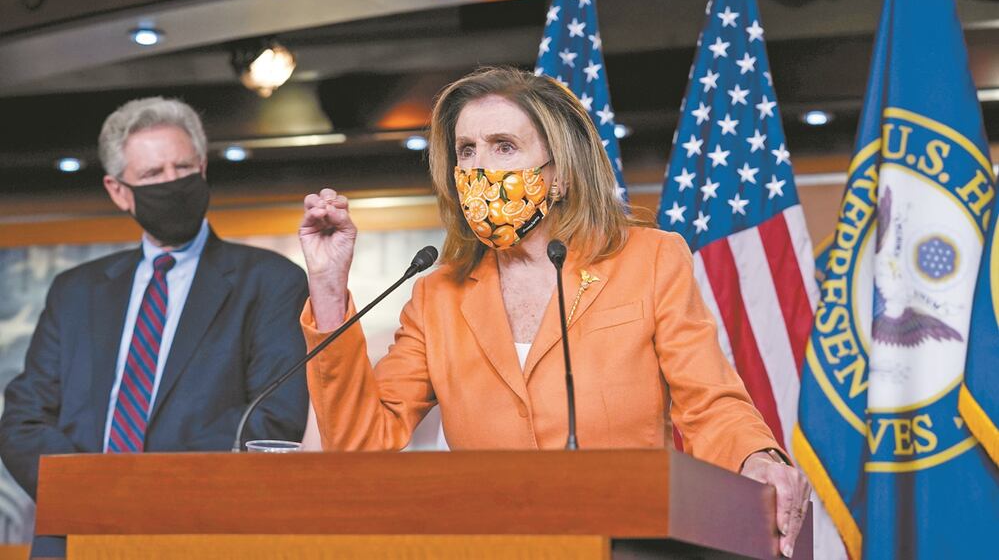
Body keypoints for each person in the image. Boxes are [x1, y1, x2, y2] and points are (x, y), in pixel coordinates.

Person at [299, 67, 811, 557]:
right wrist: (327, 285)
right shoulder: (438, 295)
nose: (480, 167)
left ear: (560, 173)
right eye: (466, 151)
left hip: (625, 539)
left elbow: (708, 402)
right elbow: (361, 440)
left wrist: (756, 458)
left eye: (504, 147)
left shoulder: (649, 260)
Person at [0, 97, 309, 555]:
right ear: (119, 190)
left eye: (182, 168)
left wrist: (147, 491)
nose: (171, 183)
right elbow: (24, 420)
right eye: (151, 175)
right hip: (75, 537)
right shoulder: (75, 292)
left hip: (202, 536)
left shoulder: (270, 281)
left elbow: (272, 419)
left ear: (202, 170)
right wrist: (95, 497)